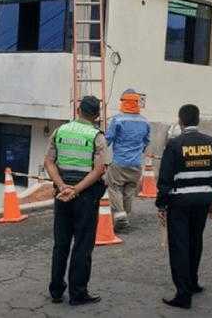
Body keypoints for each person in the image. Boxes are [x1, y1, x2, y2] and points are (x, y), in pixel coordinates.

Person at [156, 104, 212, 309]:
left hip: (179, 203)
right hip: (203, 201)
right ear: (198, 120)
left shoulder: (175, 145)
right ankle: (193, 282)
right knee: (195, 241)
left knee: (179, 246)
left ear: (180, 121)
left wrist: (161, 203)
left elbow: (165, 178)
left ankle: (183, 295)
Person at [45, 95, 109, 306]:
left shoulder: (60, 131)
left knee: (60, 244)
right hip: (85, 195)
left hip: (62, 194)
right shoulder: (96, 137)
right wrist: (76, 189)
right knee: (82, 245)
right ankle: (77, 293)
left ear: (78, 110)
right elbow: (99, 170)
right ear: (97, 115)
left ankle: (56, 291)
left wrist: (63, 186)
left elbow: (49, 162)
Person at [104, 89, 151, 232]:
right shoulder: (145, 122)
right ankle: (124, 217)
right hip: (136, 164)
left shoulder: (118, 120)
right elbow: (146, 141)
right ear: (137, 103)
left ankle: (120, 218)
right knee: (129, 190)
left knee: (115, 188)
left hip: (119, 162)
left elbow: (107, 140)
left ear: (123, 102)